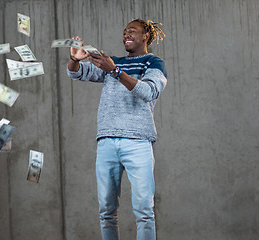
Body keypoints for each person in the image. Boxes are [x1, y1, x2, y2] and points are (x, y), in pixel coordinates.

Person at [67, 18, 167, 240]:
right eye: (124, 32)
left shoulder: (154, 62)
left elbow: (149, 92)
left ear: (146, 36)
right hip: (107, 141)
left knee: (144, 211)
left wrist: (115, 71)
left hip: (138, 142)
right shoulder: (111, 63)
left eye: (132, 31)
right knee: (106, 212)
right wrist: (74, 59)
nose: (126, 35)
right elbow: (75, 73)